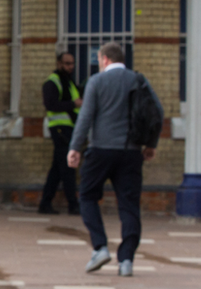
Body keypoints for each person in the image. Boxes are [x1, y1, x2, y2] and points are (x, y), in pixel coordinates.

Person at [67, 42, 162, 278]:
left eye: (99, 59)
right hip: (130, 153)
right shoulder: (138, 80)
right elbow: (157, 111)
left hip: (100, 151)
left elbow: (86, 116)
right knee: (129, 205)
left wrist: (75, 148)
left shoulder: (96, 82)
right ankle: (127, 260)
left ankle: (100, 247)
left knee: (88, 196)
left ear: (105, 59)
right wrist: (151, 144)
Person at [38, 51, 82, 215]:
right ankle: (73, 205)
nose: (70, 67)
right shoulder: (52, 82)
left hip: (68, 128)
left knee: (57, 169)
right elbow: (51, 104)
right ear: (59, 64)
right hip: (60, 129)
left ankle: (45, 203)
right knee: (68, 167)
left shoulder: (69, 82)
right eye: (67, 64)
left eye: (72, 64)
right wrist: (73, 104)